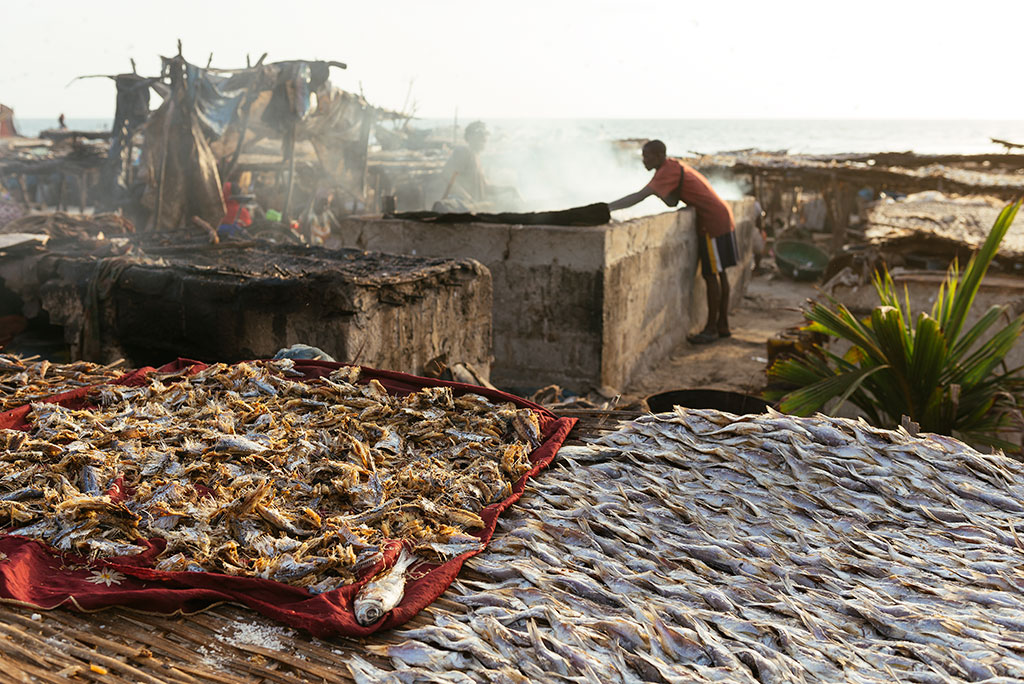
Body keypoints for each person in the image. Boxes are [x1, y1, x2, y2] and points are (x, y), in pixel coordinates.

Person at [609, 139, 738, 345]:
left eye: (647, 156)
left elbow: (639, 197)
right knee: (721, 275)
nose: (644, 160)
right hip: (721, 216)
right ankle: (722, 325)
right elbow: (673, 201)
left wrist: (607, 208)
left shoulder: (666, 172)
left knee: (711, 275)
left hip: (712, 222)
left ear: (659, 156)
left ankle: (712, 328)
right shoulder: (672, 167)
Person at [434, 121, 520, 213]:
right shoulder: (463, 152)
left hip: (472, 206)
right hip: (458, 204)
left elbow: (486, 187)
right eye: (480, 135)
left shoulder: (477, 158)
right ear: (470, 136)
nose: (484, 138)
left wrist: (508, 189)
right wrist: (466, 197)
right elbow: (447, 175)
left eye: (485, 135)